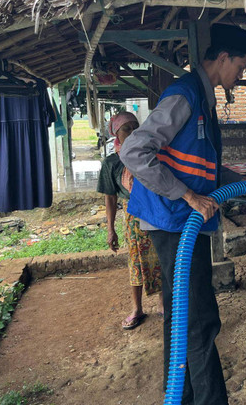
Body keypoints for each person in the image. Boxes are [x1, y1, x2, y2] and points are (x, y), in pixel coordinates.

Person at [120, 24, 246, 404]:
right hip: (173, 221)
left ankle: (178, 397)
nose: (241, 76)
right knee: (198, 320)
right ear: (223, 58)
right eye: (242, 67)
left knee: (181, 317)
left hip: (181, 222)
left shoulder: (203, 98)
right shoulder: (184, 96)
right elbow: (133, 151)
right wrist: (186, 195)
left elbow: (205, 168)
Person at [97, 111, 164, 330]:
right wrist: (110, 230)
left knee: (161, 256)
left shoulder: (148, 154)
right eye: (127, 128)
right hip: (133, 216)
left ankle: (163, 304)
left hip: (155, 211)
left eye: (136, 126)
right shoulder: (111, 163)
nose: (133, 132)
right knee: (135, 262)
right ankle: (137, 309)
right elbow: (110, 197)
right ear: (116, 132)